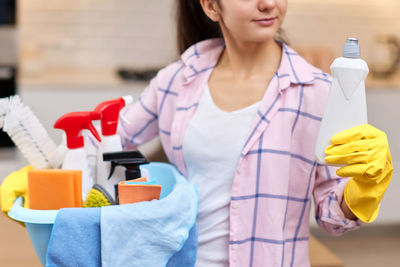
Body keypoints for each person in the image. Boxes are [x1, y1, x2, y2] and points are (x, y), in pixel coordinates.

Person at [117, 0, 393, 266]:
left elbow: (332, 218)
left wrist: (363, 189)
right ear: (212, 6)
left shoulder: (318, 93)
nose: (268, 3)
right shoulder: (177, 80)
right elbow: (109, 137)